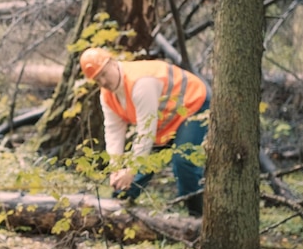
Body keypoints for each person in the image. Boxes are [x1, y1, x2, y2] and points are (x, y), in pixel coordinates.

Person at [79, 47, 210, 216]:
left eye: (104, 74)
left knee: (183, 159)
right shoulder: (107, 95)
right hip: (164, 119)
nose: (103, 82)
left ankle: (196, 216)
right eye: (97, 80)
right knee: (140, 165)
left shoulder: (141, 83)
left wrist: (131, 170)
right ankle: (119, 203)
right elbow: (113, 131)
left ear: (112, 63)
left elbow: (146, 132)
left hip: (192, 104)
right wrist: (116, 169)